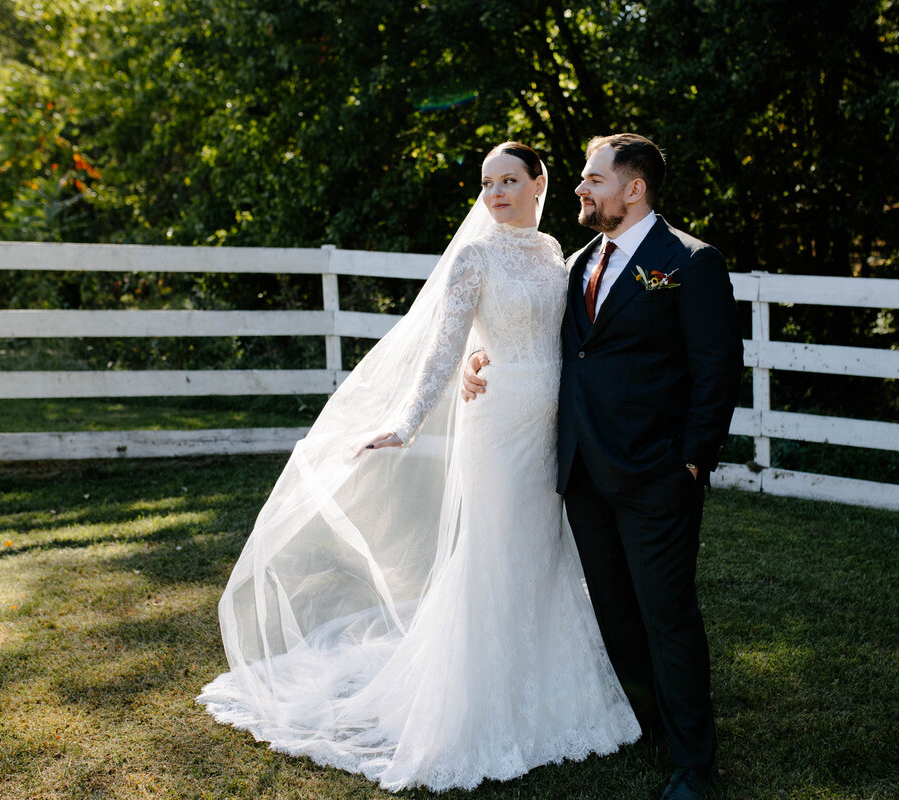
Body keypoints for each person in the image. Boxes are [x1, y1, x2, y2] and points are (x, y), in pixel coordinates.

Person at [197, 142, 640, 792]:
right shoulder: (474, 256)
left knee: (544, 550)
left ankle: (546, 686)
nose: (496, 195)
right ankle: (477, 704)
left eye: (509, 181)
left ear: (540, 183)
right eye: (488, 184)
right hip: (498, 432)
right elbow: (444, 348)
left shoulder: (553, 255)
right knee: (494, 551)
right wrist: (406, 421)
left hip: (554, 428)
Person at [463, 133, 743, 800]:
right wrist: (480, 357)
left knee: (667, 615)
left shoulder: (689, 263)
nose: (581, 190)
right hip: (583, 475)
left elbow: (717, 371)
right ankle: (644, 721)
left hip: (657, 477)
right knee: (615, 615)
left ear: (634, 188)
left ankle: (691, 762)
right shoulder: (580, 260)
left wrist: (693, 464)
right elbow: (539, 341)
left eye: (593, 179)